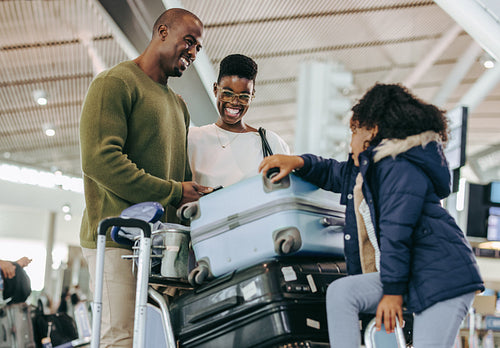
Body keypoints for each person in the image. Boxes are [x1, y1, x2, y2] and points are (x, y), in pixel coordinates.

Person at [259, 83, 484, 348]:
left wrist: (392, 293)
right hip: (419, 274)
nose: (350, 142)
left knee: (347, 295)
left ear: (372, 131)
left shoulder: (398, 166)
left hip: (443, 278)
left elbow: (397, 231)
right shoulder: (373, 170)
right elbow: (336, 173)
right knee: (344, 293)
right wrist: (300, 162)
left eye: (353, 132)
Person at [79, 8, 211, 347]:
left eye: (198, 48)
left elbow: (180, 184)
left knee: (159, 339)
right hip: (116, 241)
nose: (194, 53)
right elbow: (101, 161)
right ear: (163, 32)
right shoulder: (115, 83)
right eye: (190, 42)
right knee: (119, 336)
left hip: (159, 249)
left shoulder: (179, 106)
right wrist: (172, 190)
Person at [188, 54, 290, 188]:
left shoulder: (270, 142)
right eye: (227, 94)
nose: (234, 102)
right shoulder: (192, 138)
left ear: (252, 96)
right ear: (215, 89)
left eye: (243, 97)